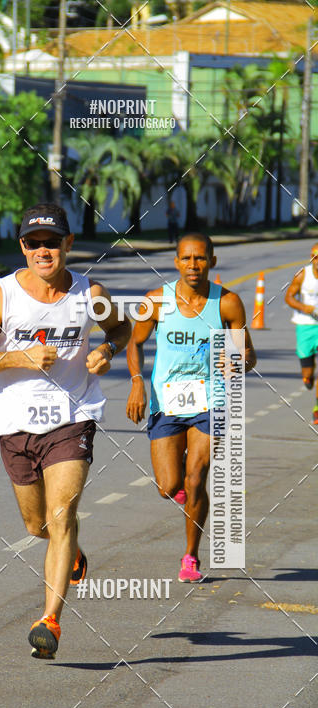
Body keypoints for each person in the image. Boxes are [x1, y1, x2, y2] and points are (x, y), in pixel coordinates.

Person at [0, 202, 131, 658]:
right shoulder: (5, 295)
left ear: (68, 243)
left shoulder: (89, 293)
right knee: (38, 525)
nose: (43, 251)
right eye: (33, 243)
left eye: (51, 242)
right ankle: (70, 550)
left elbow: (121, 328)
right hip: (16, 423)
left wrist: (108, 351)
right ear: (22, 247)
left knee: (61, 515)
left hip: (72, 417)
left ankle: (49, 620)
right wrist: (20, 356)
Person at [125, 233, 256, 582]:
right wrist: (137, 382)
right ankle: (180, 483)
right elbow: (134, 343)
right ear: (176, 262)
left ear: (212, 261)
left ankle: (191, 557)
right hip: (166, 401)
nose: (193, 265)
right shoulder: (156, 301)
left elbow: (247, 355)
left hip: (210, 399)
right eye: (186, 258)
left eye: (200, 258)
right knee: (168, 487)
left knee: (197, 478)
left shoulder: (227, 303)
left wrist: (238, 361)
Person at [284, 244, 318, 425]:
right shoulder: (303, 274)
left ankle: (317, 408)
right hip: (306, 327)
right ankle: (308, 378)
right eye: (316, 257)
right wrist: (304, 307)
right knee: (308, 373)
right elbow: (289, 297)